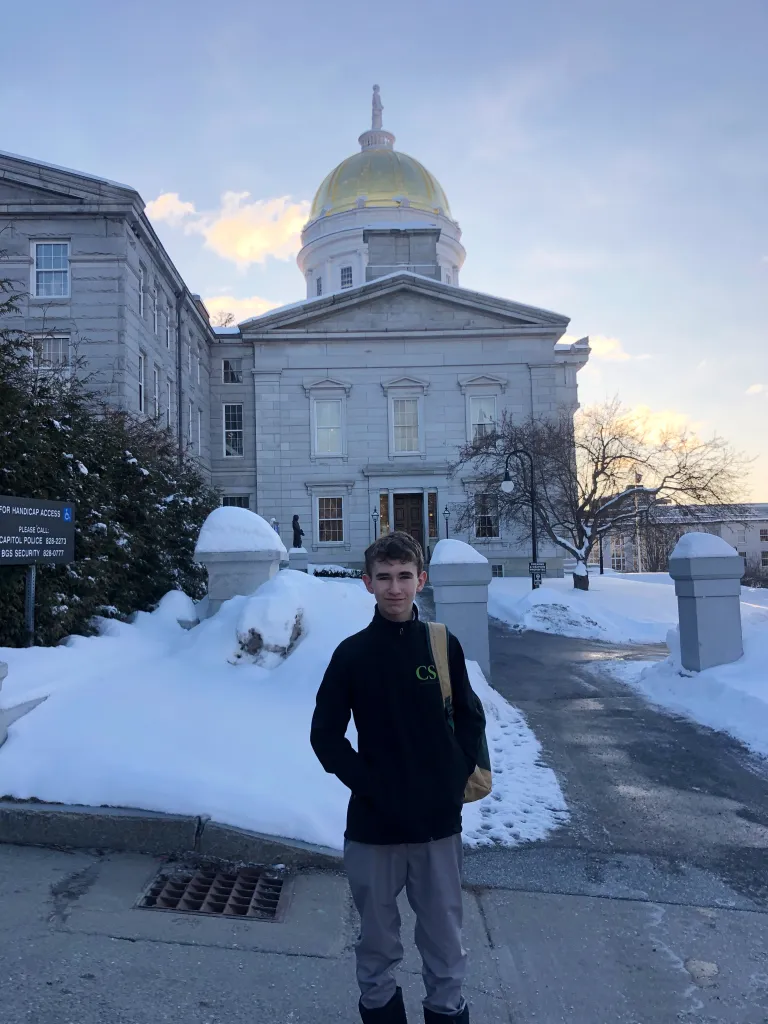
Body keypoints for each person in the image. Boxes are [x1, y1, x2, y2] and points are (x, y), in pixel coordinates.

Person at [310, 532, 486, 1023]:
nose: (394, 588)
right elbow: (325, 736)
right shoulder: (352, 655)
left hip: (436, 826)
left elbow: (471, 718)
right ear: (367, 583)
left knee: (445, 947)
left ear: (420, 580)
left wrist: (452, 777)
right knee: (377, 947)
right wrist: (372, 786)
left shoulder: (440, 644)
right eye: (384, 578)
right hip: (374, 828)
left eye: (404, 577)